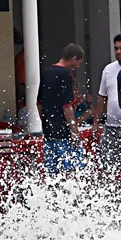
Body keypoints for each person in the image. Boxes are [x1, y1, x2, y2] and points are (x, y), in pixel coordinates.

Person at [38, 43, 86, 174]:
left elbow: (39, 104)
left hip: (49, 134)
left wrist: (46, 122)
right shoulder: (66, 75)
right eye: (78, 62)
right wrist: (74, 131)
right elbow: (67, 107)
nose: (78, 66)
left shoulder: (46, 73)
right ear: (74, 58)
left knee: (52, 175)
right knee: (73, 172)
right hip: (64, 134)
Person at [93, 33, 121, 161]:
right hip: (111, 127)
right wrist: (96, 122)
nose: (118, 52)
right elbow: (102, 97)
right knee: (107, 163)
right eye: (116, 48)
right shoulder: (108, 69)